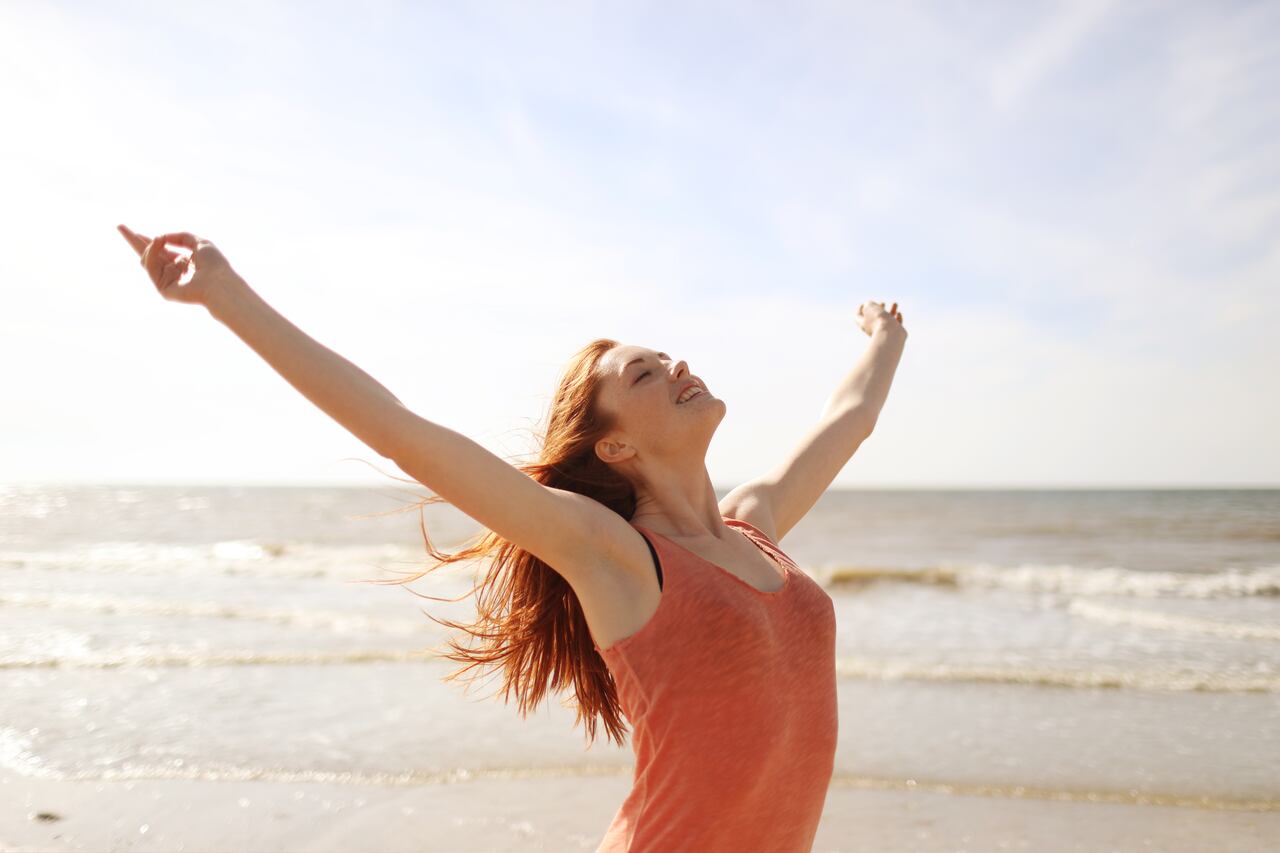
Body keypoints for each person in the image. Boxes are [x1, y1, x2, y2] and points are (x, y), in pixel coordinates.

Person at [117, 225, 908, 851]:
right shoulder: (618, 559)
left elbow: (853, 419)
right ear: (615, 448)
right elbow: (400, 431)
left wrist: (885, 337)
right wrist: (224, 294)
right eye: (645, 374)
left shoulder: (756, 527)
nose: (677, 366)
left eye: (666, 357)